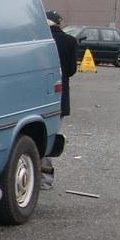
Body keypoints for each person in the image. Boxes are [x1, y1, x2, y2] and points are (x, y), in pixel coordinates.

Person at [43, 10, 77, 189]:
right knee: (50, 137)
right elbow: (71, 70)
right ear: (59, 23)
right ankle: (45, 180)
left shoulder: (38, 42)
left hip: (35, 96)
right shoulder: (70, 41)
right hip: (60, 96)